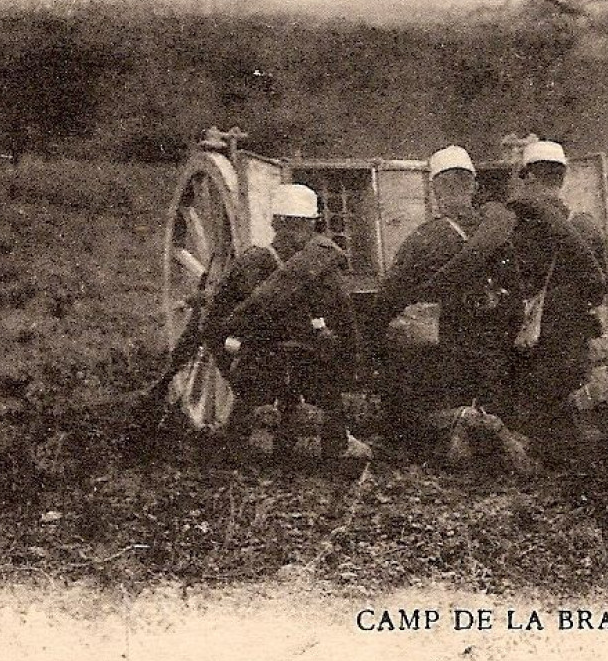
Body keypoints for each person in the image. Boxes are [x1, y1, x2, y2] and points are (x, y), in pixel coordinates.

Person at [369, 146, 523, 445]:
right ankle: (488, 425)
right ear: (475, 187)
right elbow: (515, 297)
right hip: (493, 356)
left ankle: (455, 423)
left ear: (434, 190)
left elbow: (389, 299)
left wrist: (375, 341)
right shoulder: (499, 237)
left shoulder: (423, 239)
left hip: (445, 357)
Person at [205, 182, 362, 464]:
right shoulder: (325, 264)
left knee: (254, 411)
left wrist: (232, 367)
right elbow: (346, 327)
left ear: (274, 222)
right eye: (300, 225)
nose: (297, 233)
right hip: (312, 376)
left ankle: (255, 435)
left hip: (259, 375)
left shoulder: (250, 262)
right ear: (315, 224)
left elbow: (215, 323)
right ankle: (325, 441)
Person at [506, 140, 608, 451]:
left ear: (531, 177)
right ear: (562, 179)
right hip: (575, 328)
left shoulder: (520, 224)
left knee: (537, 395)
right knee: (571, 390)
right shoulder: (586, 224)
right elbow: (598, 285)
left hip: (536, 331)